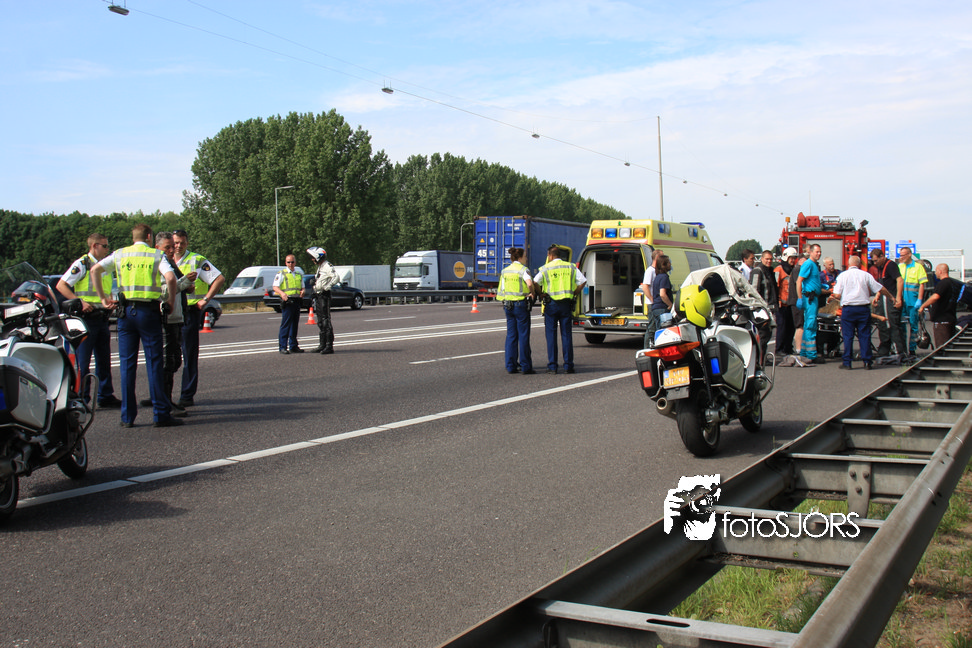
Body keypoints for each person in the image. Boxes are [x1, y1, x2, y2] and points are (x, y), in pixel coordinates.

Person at [90, 224, 182, 427]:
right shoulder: (155, 255)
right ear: (149, 236)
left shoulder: (120, 254)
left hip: (125, 313)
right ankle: (160, 414)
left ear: (133, 237)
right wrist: (170, 301)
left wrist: (103, 299)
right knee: (154, 363)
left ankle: (127, 417)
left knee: (127, 365)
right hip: (148, 313)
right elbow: (170, 278)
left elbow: (94, 269)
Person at [55, 233, 121, 409]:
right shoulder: (82, 264)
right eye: (104, 246)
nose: (107, 249)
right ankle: (81, 399)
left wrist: (108, 301)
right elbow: (61, 285)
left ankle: (105, 395)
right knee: (83, 362)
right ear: (94, 246)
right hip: (86, 319)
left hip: (102, 317)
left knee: (104, 360)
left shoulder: (104, 265)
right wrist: (80, 302)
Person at [138, 232, 192, 417]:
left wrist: (186, 282)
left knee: (174, 361)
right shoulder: (157, 265)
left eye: (173, 246)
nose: (172, 250)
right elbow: (162, 292)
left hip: (175, 318)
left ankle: (159, 397)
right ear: (157, 248)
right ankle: (164, 401)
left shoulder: (170, 264)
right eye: (167, 247)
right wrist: (185, 282)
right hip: (164, 319)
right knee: (167, 362)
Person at [172, 229, 224, 408]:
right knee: (166, 355)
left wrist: (206, 300)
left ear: (187, 243)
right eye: (176, 242)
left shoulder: (196, 260)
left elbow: (219, 278)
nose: (178, 246)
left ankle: (187, 395)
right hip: (169, 312)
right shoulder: (165, 258)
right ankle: (161, 394)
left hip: (189, 311)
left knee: (189, 354)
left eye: (182, 242)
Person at [828, 256, 894, 370]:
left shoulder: (842, 276)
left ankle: (847, 362)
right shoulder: (866, 275)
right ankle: (867, 361)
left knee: (848, 336)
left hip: (848, 309)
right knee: (864, 335)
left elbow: (837, 294)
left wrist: (835, 297)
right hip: (863, 308)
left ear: (849, 264)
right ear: (859, 264)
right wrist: (891, 297)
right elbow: (880, 288)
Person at [534, 244, 586, 374]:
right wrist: (575, 292)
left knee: (551, 336)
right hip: (566, 305)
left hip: (551, 305)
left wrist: (541, 294)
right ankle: (568, 365)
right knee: (566, 335)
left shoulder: (546, 268)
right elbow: (583, 281)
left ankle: (552, 366)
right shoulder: (570, 267)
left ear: (550, 256)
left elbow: (535, 282)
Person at [497, 247, 535, 374]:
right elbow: (529, 283)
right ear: (520, 257)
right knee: (523, 336)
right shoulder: (523, 270)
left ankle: (511, 365)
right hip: (520, 305)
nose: (526, 259)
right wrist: (532, 293)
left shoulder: (505, 271)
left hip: (508, 306)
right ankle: (526, 366)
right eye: (525, 256)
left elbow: (502, 289)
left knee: (511, 336)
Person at [868, 248, 905, 357]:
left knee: (892, 324)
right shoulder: (880, 267)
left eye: (876, 260)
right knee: (883, 324)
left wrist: (898, 298)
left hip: (891, 297)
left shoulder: (891, 265)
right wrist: (877, 295)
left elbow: (900, 280)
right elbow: (882, 285)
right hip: (884, 297)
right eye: (873, 261)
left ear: (882, 256)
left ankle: (899, 351)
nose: (875, 263)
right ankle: (884, 350)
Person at [307, 246, 340, 354]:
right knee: (320, 321)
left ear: (318, 257)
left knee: (326, 320)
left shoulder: (327, 266)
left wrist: (327, 287)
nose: (312, 259)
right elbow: (322, 279)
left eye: (313, 257)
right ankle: (322, 345)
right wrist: (315, 283)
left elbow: (336, 277)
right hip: (318, 295)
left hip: (324, 295)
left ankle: (329, 346)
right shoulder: (320, 267)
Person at [795, 243, 824, 363]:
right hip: (810, 298)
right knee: (810, 325)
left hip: (812, 297)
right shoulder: (808, 264)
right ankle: (811, 355)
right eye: (817, 251)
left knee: (809, 324)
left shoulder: (814, 265)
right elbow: (799, 281)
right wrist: (800, 298)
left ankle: (805, 352)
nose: (819, 254)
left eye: (820, 251)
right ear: (810, 252)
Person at [919, 264, 958, 348]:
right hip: (950, 319)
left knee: (942, 347)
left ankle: (942, 357)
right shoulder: (953, 283)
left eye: (936, 271)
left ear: (940, 271)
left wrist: (923, 306)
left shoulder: (943, 283)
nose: (935, 273)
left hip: (942, 321)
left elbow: (935, 296)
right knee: (949, 345)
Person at [898, 247, 928, 358]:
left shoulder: (918, 267)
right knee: (901, 326)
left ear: (909, 254)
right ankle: (903, 349)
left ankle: (912, 349)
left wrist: (919, 300)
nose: (901, 257)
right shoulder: (900, 267)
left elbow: (922, 284)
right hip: (902, 302)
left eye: (903, 255)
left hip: (913, 302)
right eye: (900, 255)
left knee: (914, 326)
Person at [273, 255, 306, 354]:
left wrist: (303, 291)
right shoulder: (282, 273)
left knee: (294, 324)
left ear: (295, 262)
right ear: (285, 263)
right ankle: (283, 347)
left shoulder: (298, 274)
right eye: (288, 262)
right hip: (288, 300)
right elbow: (275, 287)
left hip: (297, 300)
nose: (290, 264)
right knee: (286, 324)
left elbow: (302, 287)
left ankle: (293, 346)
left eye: (292, 262)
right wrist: (282, 294)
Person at [750, 250, 778, 360]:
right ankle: (758, 360)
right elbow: (753, 291)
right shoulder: (758, 271)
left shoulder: (770, 271)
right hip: (761, 310)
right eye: (767, 259)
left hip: (770, 309)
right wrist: (758, 308)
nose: (769, 261)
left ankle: (762, 359)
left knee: (767, 335)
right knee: (763, 335)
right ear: (762, 259)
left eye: (771, 259)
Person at [774, 247, 798, 355]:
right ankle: (779, 348)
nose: (793, 260)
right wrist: (778, 300)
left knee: (791, 328)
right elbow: (775, 286)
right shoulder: (778, 270)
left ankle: (788, 347)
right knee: (782, 327)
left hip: (791, 304)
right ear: (786, 257)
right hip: (782, 304)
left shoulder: (795, 270)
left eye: (794, 258)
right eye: (791, 258)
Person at [650, 255, 674, 331]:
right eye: (669, 262)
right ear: (664, 265)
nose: (670, 264)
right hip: (662, 309)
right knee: (664, 332)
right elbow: (662, 294)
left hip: (656, 308)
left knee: (658, 331)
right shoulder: (664, 277)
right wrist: (670, 304)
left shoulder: (658, 277)